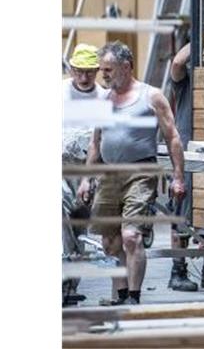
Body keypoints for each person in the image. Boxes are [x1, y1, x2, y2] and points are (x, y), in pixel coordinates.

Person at [77, 42, 186, 305]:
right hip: (109, 175)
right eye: (102, 70)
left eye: (108, 70)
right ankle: (122, 295)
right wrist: (86, 178)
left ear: (126, 67)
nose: (103, 75)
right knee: (110, 242)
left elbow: (173, 138)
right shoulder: (103, 100)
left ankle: (134, 299)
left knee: (131, 236)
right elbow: (96, 142)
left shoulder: (151, 96)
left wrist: (178, 177)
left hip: (140, 172)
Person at [167, 41, 204, 291]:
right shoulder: (185, 81)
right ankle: (177, 271)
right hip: (187, 157)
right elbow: (178, 63)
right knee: (182, 214)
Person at [62, 44, 108, 303]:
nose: (83, 77)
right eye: (79, 71)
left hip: (86, 169)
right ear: (71, 69)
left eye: (89, 72)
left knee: (78, 226)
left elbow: (103, 139)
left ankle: (70, 286)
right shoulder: (58, 92)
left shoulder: (104, 98)